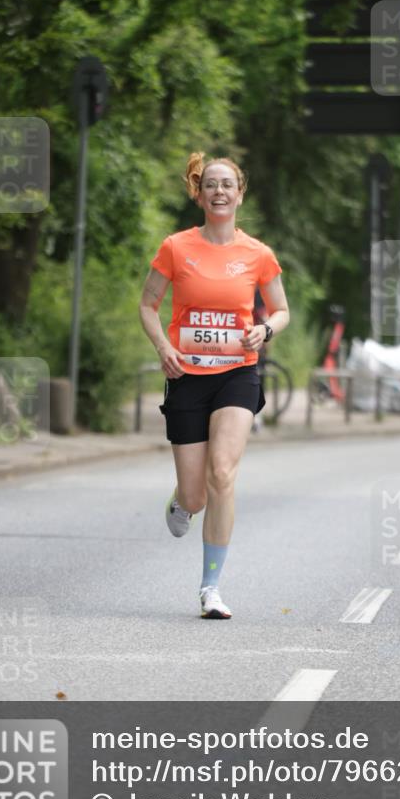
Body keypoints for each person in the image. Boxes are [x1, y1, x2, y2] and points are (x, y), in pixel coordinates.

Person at [139, 152, 290, 618]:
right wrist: (164, 347)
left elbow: (282, 311)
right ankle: (182, 501)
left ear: (240, 194)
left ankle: (211, 589)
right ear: (199, 194)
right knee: (196, 494)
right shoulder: (175, 248)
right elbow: (147, 305)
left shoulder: (258, 254)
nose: (219, 191)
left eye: (228, 184)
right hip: (186, 376)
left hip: (237, 374)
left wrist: (264, 331)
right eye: (210, 184)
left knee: (222, 472)